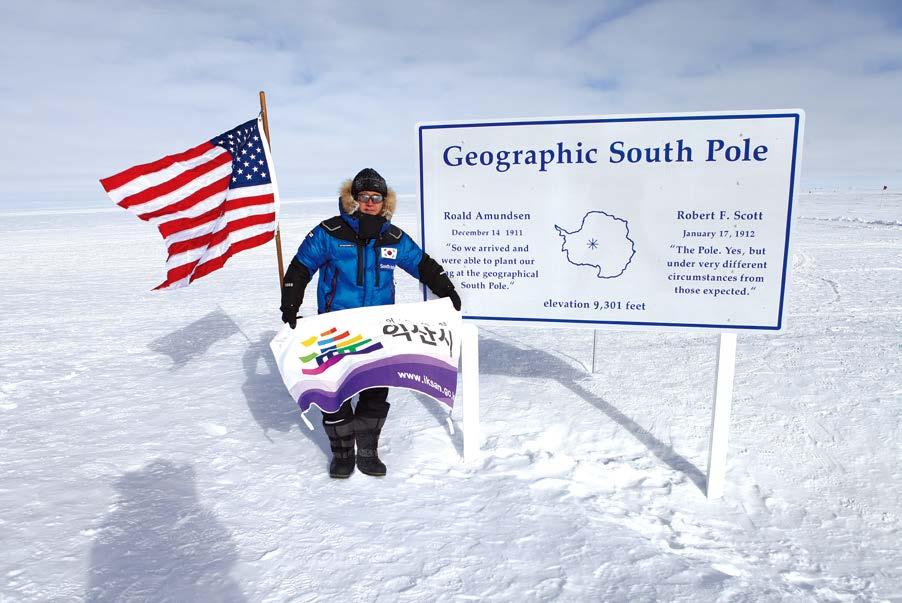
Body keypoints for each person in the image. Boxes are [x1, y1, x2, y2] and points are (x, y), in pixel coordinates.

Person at [280, 168, 461, 478]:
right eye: (363, 197)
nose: (369, 203)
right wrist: (291, 301)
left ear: (384, 202)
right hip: (335, 328)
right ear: (353, 199)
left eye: (375, 198)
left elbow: (422, 265)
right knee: (333, 392)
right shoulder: (329, 232)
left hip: (378, 328)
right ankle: (342, 453)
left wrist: (445, 289)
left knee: (375, 391)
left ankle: (367, 451)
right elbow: (300, 267)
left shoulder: (392, 237)